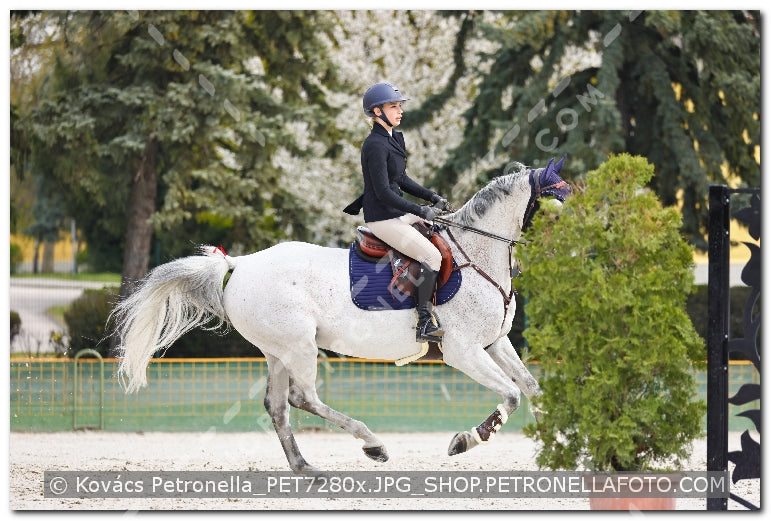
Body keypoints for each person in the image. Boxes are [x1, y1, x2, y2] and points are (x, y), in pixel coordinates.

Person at [344, 81, 449, 342]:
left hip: (397, 213)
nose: (399, 111)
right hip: (383, 218)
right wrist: (420, 211)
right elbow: (382, 192)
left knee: (446, 227)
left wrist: (432, 197)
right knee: (432, 256)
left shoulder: (395, 138)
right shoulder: (374, 145)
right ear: (377, 112)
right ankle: (424, 322)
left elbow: (401, 179)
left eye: (400, 106)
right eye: (393, 107)